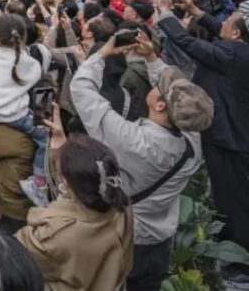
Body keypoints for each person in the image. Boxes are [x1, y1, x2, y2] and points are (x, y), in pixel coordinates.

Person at [70, 37, 214, 291]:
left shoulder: (132, 142)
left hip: (125, 237)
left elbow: (81, 89)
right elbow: (178, 97)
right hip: (159, 241)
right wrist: (151, 58)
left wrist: (102, 53)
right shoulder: (192, 140)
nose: (156, 83)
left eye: (158, 86)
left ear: (160, 104)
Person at [156, 0, 249, 280]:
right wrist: (195, 11)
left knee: (232, 198)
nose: (221, 21)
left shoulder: (233, 55)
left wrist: (166, 15)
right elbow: (219, 30)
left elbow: (187, 43)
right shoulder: (237, 49)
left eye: (227, 21)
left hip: (227, 137)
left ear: (235, 33)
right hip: (231, 132)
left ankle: (238, 263)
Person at [15, 127, 134, 290]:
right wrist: (61, 152)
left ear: (67, 182)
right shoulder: (122, 205)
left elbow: (14, 256)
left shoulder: (52, 236)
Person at [0, 13, 48, 207]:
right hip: (17, 117)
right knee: (45, 139)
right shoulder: (27, 61)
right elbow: (36, 74)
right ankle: (39, 183)